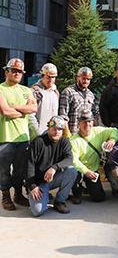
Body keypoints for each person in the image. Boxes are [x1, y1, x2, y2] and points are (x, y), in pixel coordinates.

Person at [0, 58, 36, 211]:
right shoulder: (1, 89)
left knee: (20, 169)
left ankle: (18, 194)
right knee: (4, 169)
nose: (16, 73)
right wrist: (23, 110)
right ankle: (6, 195)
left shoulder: (26, 90)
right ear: (6, 72)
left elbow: (34, 108)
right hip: (5, 137)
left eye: (19, 71)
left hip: (23, 137)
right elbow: (5, 111)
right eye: (13, 70)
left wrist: (14, 107)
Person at [26, 116, 77, 216]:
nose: (56, 132)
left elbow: (69, 159)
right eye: (54, 129)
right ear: (48, 128)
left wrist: (54, 167)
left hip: (53, 178)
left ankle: (60, 201)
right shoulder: (38, 142)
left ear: (62, 131)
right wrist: (32, 186)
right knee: (37, 211)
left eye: (59, 129)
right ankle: (36, 195)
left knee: (72, 171)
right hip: (38, 183)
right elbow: (29, 165)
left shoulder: (64, 141)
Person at [70, 110, 118, 203]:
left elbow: (115, 130)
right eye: (84, 121)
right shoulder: (73, 140)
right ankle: (76, 193)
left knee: (98, 197)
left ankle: (88, 188)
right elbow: (74, 160)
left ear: (93, 122)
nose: (87, 124)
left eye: (89, 121)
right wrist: (86, 171)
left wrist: (112, 140)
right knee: (72, 172)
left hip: (93, 170)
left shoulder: (98, 131)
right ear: (79, 123)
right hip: (80, 170)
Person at [59, 67, 98, 136]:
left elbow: (94, 117)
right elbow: (63, 116)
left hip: (86, 136)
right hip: (72, 134)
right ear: (77, 78)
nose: (85, 81)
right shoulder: (68, 92)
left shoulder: (91, 95)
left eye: (88, 79)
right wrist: (67, 133)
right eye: (83, 78)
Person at [29, 63, 60, 138]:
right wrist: (37, 131)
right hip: (37, 136)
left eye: (53, 77)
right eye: (48, 77)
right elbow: (29, 115)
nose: (51, 80)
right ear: (42, 77)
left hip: (51, 135)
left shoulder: (56, 93)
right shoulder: (34, 91)